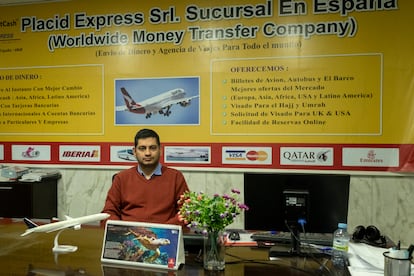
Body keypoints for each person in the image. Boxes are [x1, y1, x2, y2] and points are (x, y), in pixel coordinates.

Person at [102, 128, 189, 225]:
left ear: (160, 150)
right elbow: (108, 213)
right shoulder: (121, 178)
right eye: (142, 148)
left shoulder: (176, 177)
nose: (148, 153)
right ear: (134, 152)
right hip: (129, 236)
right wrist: (121, 230)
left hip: (164, 236)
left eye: (152, 148)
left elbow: (187, 212)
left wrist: (164, 230)